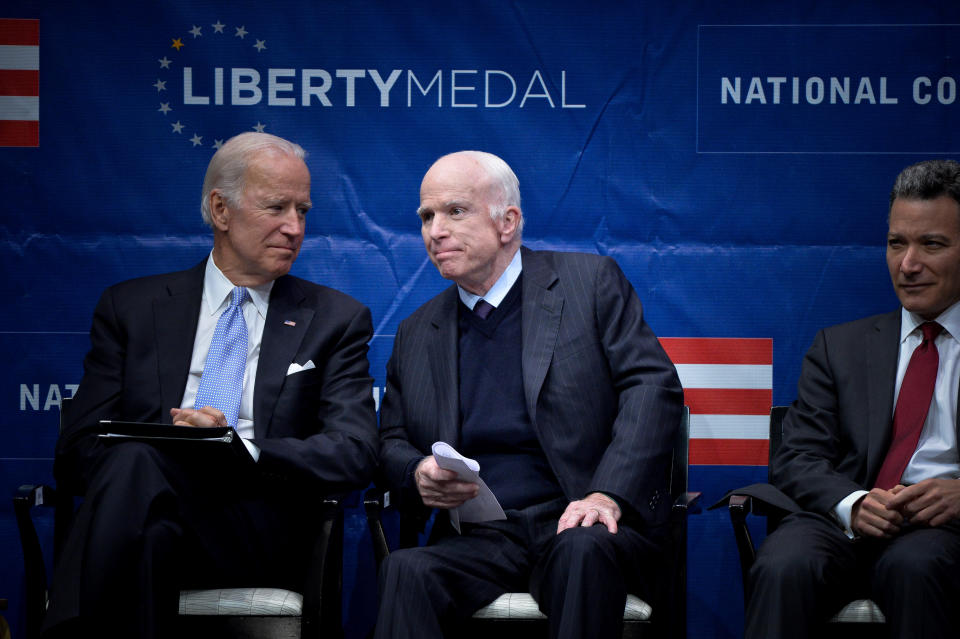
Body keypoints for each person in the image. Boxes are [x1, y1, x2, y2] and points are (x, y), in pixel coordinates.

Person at [43, 132, 379, 638]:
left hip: (256, 528)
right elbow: (76, 454)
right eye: (276, 208)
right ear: (221, 211)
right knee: (146, 510)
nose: (294, 227)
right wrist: (175, 448)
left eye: (303, 211)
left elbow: (354, 453)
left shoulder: (335, 319)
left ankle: (67, 628)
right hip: (150, 518)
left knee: (136, 471)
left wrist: (236, 448)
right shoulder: (131, 309)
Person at [375, 151, 683, 639]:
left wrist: (608, 493)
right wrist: (416, 473)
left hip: (582, 522)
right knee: (406, 571)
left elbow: (653, 387)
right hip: (483, 535)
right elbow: (390, 437)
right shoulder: (417, 332)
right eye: (427, 217)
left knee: (582, 551)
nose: (435, 231)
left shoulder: (590, 284)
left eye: (454, 211)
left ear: (507, 222)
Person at [745, 159, 960, 638]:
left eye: (932, 244)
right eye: (896, 243)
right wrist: (854, 502)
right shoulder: (838, 346)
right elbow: (797, 455)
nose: (908, 264)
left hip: (940, 535)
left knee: (917, 567)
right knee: (783, 564)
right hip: (841, 523)